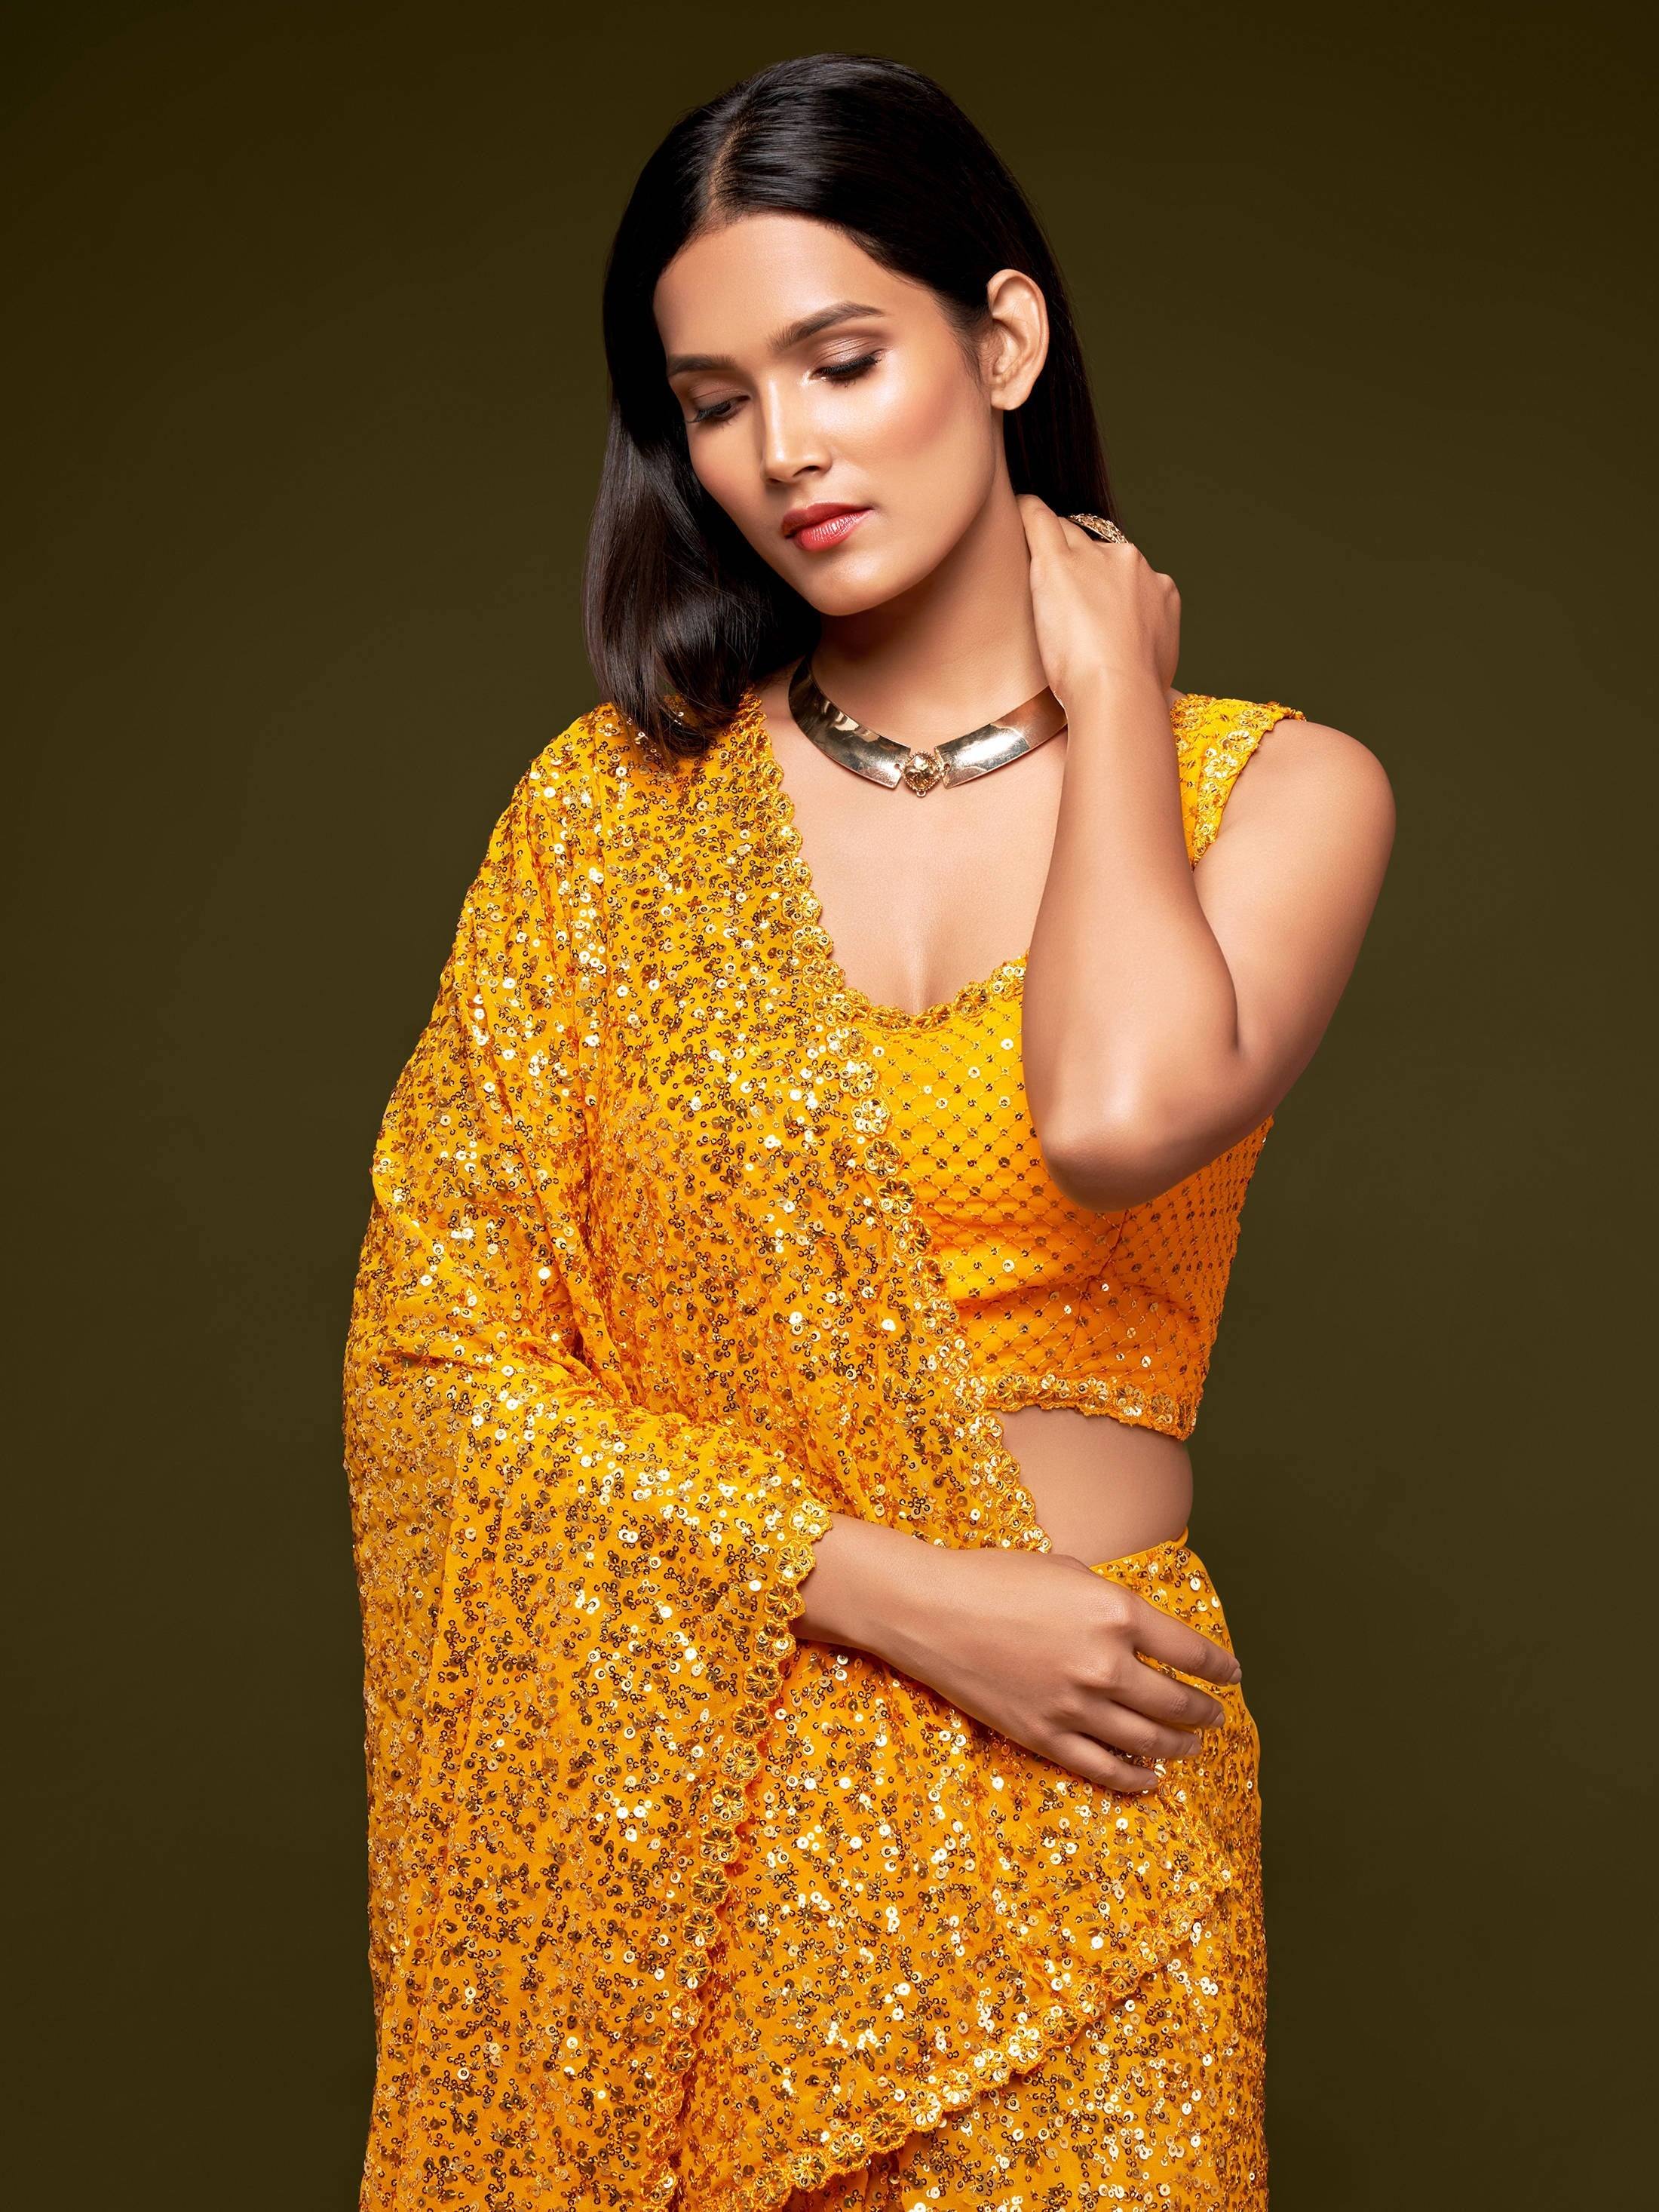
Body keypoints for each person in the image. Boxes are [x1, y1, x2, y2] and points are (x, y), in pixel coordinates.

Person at [343, 50, 1395, 2212]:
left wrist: (1111, 705)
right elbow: (438, 1372)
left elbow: (1117, 1115)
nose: (786, 451)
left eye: (841, 360)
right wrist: (899, 1595)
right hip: (691, 1825)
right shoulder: (605, 824)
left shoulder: (1275, 792)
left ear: (1001, 342)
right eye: (716, 402)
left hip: (1084, 1803)